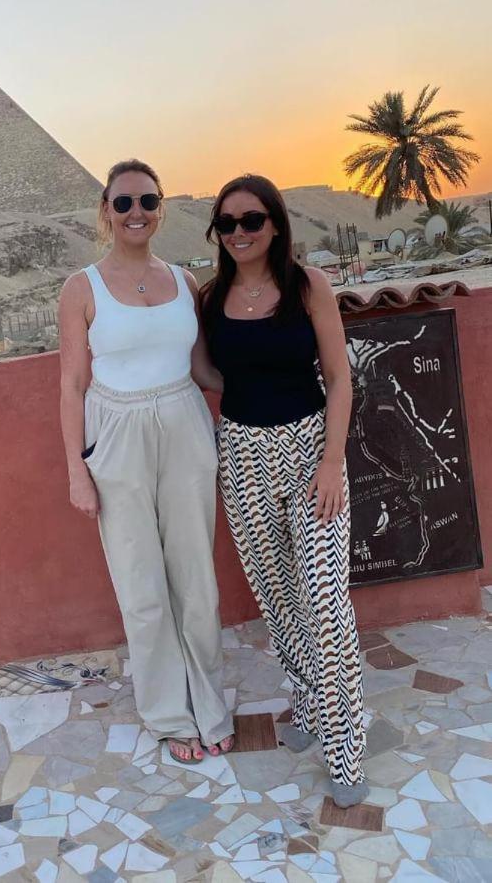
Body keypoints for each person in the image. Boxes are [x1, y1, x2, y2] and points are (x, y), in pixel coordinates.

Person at [58, 159, 234, 764]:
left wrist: (268, 387)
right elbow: (71, 385)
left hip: (185, 421)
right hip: (117, 429)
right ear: (106, 211)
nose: (137, 212)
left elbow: (202, 368)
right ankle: (167, 713)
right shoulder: (81, 288)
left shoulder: (184, 281)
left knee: (196, 578)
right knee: (141, 584)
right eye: (125, 202)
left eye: (149, 201)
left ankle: (208, 703)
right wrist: (77, 470)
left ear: (161, 209)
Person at [199, 174, 366, 807]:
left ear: (275, 224)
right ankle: (309, 705)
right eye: (227, 223)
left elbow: (339, 378)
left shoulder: (307, 285)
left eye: (252, 220)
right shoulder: (211, 298)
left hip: (310, 452)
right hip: (244, 454)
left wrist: (331, 462)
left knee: (325, 601)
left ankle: (346, 750)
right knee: (279, 599)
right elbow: (202, 368)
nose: (239, 232)